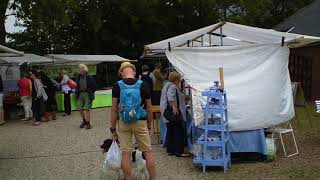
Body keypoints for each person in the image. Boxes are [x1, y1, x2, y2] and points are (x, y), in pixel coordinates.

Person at [110, 62, 156, 180]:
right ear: (134, 72)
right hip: (140, 121)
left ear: (121, 72)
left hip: (124, 122)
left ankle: (128, 178)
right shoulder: (143, 84)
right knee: (148, 152)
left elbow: (114, 109)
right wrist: (149, 124)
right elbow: (150, 108)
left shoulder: (117, 85)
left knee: (126, 153)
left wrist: (113, 129)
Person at [160, 71, 188, 157]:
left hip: (166, 111)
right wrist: (174, 107)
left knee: (170, 130)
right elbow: (171, 97)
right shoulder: (172, 86)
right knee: (178, 131)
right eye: (179, 80)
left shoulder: (166, 85)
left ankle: (170, 150)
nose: (179, 81)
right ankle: (179, 151)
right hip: (173, 111)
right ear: (175, 79)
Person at [76, 64, 96, 129]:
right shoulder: (78, 77)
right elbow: (77, 85)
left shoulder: (89, 77)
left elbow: (94, 86)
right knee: (79, 108)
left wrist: (90, 92)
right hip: (80, 93)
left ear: (84, 69)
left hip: (87, 93)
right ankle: (84, 121)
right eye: (79, 69)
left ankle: (88, 123)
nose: (80, 70)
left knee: (87, 109)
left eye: (81, 69)